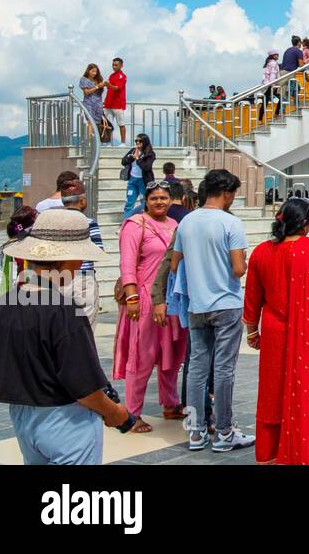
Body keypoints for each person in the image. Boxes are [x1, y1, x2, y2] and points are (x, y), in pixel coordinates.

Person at [0, 209, 137, 463]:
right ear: (72, 259)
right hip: (65, 419)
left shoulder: (2, 305)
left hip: (23, 415)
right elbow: (85, 389)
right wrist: (116, 413)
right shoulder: (65, 313)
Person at [243, 196, 309, 465]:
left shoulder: (262, 253)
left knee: (273, 392)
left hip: (275, 332)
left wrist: (252, 331)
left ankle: (270, 454)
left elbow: (252, 297)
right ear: (306, 225)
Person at [170, 168, 256, 453]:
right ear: (228, 193)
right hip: (227, 303)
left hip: (197, 304)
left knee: (196, 368)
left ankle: (195, 433)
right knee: (224, 370)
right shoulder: (231, 223)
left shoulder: (186, 222)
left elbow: (175, 264)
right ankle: (223, 432)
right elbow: (238, 268)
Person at [113, 181, 187, 432]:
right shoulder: (135, 225)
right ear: (146, 200)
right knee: (142, 356)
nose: (159, 202)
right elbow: (127, 264)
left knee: (171, 354)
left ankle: (170, 403)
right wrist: (132, 297)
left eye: (164, 198)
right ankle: (133, 414)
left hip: (170, 298)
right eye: (154, 197)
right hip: (144, 298)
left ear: (171, 200)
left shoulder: (175, 225)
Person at [60, 188, 104, 327]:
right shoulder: (88, 222)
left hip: (59, 278)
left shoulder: (56, 221)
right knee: (84, 324)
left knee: (63, 324)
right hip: (83, 278)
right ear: (82, 201)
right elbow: (98, 251)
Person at [121, 133, 156, 219]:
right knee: (129, 202)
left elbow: (147, 167)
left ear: (144, 142)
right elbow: (123, 161)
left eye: (139, 141)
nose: (137, 143)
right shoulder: (133, 150)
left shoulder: (150, 154)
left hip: (143, 181)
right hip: (132, 180)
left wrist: (137, 159)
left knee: (144, 203)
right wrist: (131, 158)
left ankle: (145, 221)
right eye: (136, 141)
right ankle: (126, 223)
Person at [78, 62, 107, 141]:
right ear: (88, 71)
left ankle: (96, 141)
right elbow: (86, 92)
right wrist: (97, 86)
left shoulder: (98, 80)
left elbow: (100, 93)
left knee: (97, 123)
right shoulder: (83, 79)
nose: (94, 73)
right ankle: (90, 141)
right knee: (90, 122)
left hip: (98, 103)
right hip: (89, 103)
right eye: (93, 71)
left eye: (96, 71)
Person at [103, 57, 128, 146]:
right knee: (108, 124)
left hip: (118, 104)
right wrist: (105, 101)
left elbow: (116, 88)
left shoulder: (123, 76)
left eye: (116, 65)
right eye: (113, 65)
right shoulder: (111, 75)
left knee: (121, 123)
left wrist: (108, 85)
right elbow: (109, 90)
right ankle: (108, 141)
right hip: (109, 104)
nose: (114, 67)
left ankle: (123, 142)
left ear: (121, 66)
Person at [281, 35, 304, 108]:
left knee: (296, 88)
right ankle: (282, 109)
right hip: (290, 73)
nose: (301, 44)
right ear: (298, 43)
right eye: (301, 42)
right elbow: (301, 65)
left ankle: (296, 105)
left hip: (282, 72)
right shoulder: (298, 51)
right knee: (289, 91)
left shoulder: (287, 50)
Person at [261, 50, 282, 119]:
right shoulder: (274, 63)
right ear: (273, 56)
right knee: (281, 98)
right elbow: (273, 75)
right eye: (277, 55)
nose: (278, 56)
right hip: (271, 85)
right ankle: (276, 114)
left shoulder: (269, 63)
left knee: (265, 102)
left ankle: (260, 119)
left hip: (267, 84)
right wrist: (274, 86)